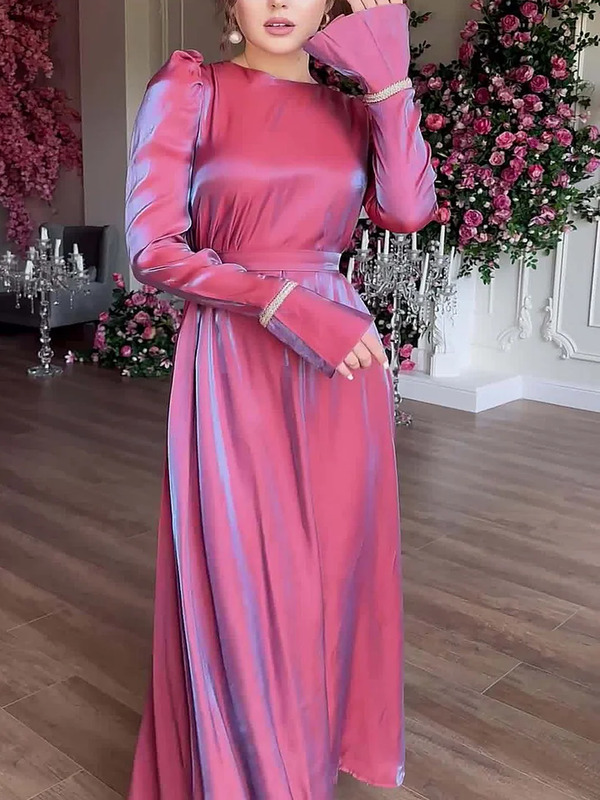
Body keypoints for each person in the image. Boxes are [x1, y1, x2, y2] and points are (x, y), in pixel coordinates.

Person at [124, 0, 437, 796]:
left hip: (340, 366)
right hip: (238, 351)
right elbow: (154, 250)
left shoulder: (353, 108)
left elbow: (408, 210)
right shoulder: (191, 87)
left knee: (332, 574)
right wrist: (283, 304)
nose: (277, 3)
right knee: (250, 575)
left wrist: (390, 83)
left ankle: (307, 757)